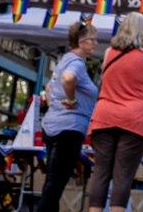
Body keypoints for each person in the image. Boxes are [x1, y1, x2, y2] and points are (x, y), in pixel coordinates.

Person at [87, 11, 143, 212]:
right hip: (134, 120)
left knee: (101, 172)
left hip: (104, 116)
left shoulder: (109, 53)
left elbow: (105, 79)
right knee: (123, 174)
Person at [41, 20, 101, 212]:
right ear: (82, 42)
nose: (95, 43)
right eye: (92, 40)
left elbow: (49, 87)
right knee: (56, 182)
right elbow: (68, 78)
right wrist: (71, 99)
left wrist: (56, 102)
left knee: (52, 182)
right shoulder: (76, 63)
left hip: (54, 125)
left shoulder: (64, 59)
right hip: (69, 128)